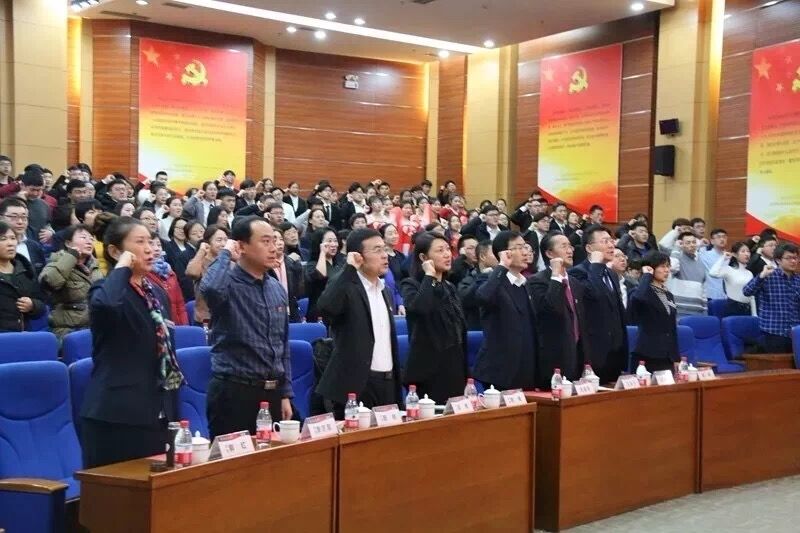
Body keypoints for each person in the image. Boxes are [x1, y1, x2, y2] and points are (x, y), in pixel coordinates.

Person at [80, 217, 183, 468]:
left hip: (156, 411)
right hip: (117, 416)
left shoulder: (155, 293)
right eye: (140, 242)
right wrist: (123, 266)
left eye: (151, 241)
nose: (149, 249)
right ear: (115, 251)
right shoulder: (104, 291)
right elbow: (107, 305)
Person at [201, 216, 293, 438]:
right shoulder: (227, 283)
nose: (274, 248)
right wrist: (226, 253)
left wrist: (285, 393)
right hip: (234, 392)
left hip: (272, 392)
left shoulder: (276, 288)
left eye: (274, 241)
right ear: (241, 246)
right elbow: (210, 289)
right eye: (265, 241)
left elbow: (282, 344)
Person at [316, 229, 402, 416]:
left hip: (387, 383)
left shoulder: (385, 291)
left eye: (384, 249)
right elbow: (326, 309)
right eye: (377, 250)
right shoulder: (346, 286)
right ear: (358, 256)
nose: (384, 255)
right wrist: (349, 269)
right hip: (355, 385)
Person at [400, 232, 467, 403]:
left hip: (454, 367)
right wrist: (429, 276)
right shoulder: (411, 285)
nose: (447, 254)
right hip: (428, 371)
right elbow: (420, 308)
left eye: (448, 249)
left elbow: (459, 330)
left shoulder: (450, 287)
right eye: (440, 250)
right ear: (423, 257)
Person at [472, 231, 538, 391]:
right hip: (501, 371)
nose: (525, 252)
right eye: (519, 247)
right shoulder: (491, 280)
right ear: (504, 253)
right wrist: (502, 266)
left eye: (525, 247)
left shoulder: (526, 283)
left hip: (527, 369)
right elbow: (483, 297)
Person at [528, 232, 590, 387]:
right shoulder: (537, 281)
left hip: (577, 357)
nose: (570, 250)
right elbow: (551, 309)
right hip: (553, 360)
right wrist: (556, 277)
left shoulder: (575, 283)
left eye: (570, 246)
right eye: (564, 246)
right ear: (549, 253)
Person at [569, 225, 628, 384]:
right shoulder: (577, 272)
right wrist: (595, 265)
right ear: (589, 248)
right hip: (594, 352)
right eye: (604, 241)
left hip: (616, 352)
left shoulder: (611, 273)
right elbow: (592, 293)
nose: (611, 245)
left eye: (611, 241)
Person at [39, 224, 104, 339]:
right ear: (68, 243)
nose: (89, 241)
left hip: (94, 329)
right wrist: (71, 257)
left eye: (91, 238)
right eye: (83, 237)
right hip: (67, 331)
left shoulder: (95, 267)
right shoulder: (56, 261)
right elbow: (49, 281)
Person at [743, 243, 800, 353]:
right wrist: (761, 276)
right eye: (789, 258)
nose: (793, 261)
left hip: (795, 332)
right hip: (773, 332)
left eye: (796, 258)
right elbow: (747, 291)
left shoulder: (798, 280)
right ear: (778, 260)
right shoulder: (768, 276)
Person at [629, 251, 679, 372]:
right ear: (650, 268)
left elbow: (672, 328)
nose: (667, 270)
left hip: (667, 356)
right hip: (647, 354)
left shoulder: (669, 295)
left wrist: (676, 357)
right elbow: (638, 298)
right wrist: (646, 276)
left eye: (668, 266)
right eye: (662, 266)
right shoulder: (640, 291)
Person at [0, 220, 46, 332]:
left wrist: (33, 305)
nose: (10, 243)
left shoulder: (25, 269)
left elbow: (41, 304)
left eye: (13, 238)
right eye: (3, 239)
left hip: (21, 334)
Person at [185, 225, 230, 325]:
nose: (223, 244)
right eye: (219, 240)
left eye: (226, 240)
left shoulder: (229, 262)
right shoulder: (201, 261)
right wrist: (202, 251)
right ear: (208, 242)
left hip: (227, 319)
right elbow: (191, 273)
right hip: (205, 320)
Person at [145, 232, 189, 326]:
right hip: (159, 326)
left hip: (177, 325)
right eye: (151, 244)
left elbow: (180, 304)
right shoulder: (143, 274)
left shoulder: (169, 272)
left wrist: (185, 326)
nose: (157, 248)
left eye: (159, 245)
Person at [304, 227, 345, 323]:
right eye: (329, 241)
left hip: (338, 311)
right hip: (319, 314)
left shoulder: (340, 263)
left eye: (335, 241)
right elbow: (320, 274)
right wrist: (322, 253)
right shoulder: (312, 264)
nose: (333, 244)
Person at [0, 197, 46, 275]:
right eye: (14, 217)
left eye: (24, 217)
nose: (20, 222)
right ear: (1, 218)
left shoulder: (34, 246)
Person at [709, 242, 755, 317]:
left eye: (748, 251)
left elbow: (752, 296)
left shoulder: (749, 273)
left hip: (747, 308)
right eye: (743, 251)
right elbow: (712, 273)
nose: (747, 254)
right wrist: (723, 258)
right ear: (734, 254)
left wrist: (754, 314)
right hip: (733, 307)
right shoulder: (729, 269)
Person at [669, 231, 708, 319]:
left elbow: (704, 290)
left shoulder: (700, 262)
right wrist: (676, 248)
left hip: (697, 311)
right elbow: (672, 267)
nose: (692, 245)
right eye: (688, 243)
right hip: (679, 310)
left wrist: (705, 311)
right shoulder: (677, 258)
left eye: (694, 242)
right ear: (681, 244)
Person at [272, 227, 304, 323]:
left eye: (281, 239)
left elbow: (299, 291)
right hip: (272, 314)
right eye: (275, 240)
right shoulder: (263, 266)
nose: (279, 243)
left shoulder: (293, 264)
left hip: (292, 312)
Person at [699, 228, 728, 300]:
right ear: (712, 241)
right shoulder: (704, 255)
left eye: (724, 237)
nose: (722, 239)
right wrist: (699, 244)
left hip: (726, 295)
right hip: (710, 294)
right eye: (719, 237)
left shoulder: (728, 256)